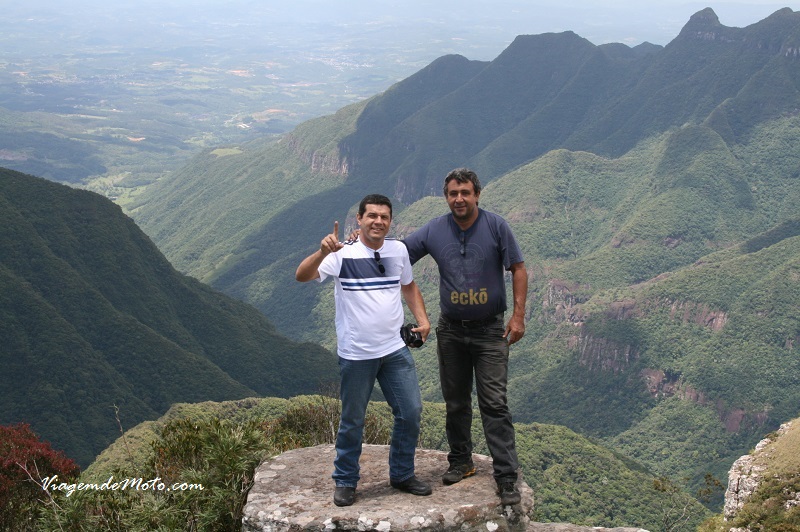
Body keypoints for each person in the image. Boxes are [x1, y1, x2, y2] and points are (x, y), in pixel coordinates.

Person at [295, 193, 432, 507]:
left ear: (390, 220)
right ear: (359, 219)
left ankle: (401, 474)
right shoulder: (341, 253)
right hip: (357, 354)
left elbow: (408, 286)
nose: (378, 221)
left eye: (384, 216)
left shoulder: (398, 250)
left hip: (395, 350)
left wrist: (423, 320)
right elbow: (301, 276)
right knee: (353, 419)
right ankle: (345, 481)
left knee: (410, 412)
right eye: (372, 216)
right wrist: (321, 252)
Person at [403, 168, 528, 506]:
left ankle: (506, 477)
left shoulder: (496, 226)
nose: (459, 198)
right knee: (456, 401)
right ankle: (461, 461)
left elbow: (518, 268)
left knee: (494, 403)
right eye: (453, 193)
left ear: (477, 195)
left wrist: (518, 316)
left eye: (465, 192)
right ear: (446, 196)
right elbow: (399, 257)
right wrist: (357, 247)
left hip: (490, 330)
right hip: (452, 330)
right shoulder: (435, 229)